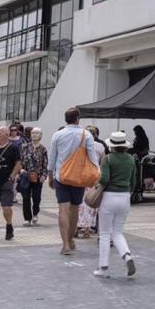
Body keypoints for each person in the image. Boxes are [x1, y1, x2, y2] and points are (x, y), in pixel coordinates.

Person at [47, 106, 101, 255]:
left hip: (61, 177)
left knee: (63, 210)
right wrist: (97, 176)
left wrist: (50, 176)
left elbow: (52, 158)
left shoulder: (58, 134)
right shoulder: (87, 135)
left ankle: (64, 245)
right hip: (79, 178)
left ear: (66, 119)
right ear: (78, 119)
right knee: (74, 209)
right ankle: (71, 240)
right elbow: (93, 158)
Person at [94, 131, 136, 279]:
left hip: (109, 197)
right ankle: (127, 256)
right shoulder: (131, 159)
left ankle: (103, 267)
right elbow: (134, 181)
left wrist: (97, 184)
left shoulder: (108, 159)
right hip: (125, 197)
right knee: (117, 232)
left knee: (105, 234)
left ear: (111, 145)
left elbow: (104, 179)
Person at [20, 127, 48, 226]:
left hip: (38, 177)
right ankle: (27, 218)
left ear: (40, 135)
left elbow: (45, 164)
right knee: (26, 197)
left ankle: (35, 213)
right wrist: (21, 169)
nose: (34, 135)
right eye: (33, 133)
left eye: (37, 133)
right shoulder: (25, 147)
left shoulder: (43, 149)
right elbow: (21, 160)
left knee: (37, 198)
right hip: (26, 176)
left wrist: (44, 175)